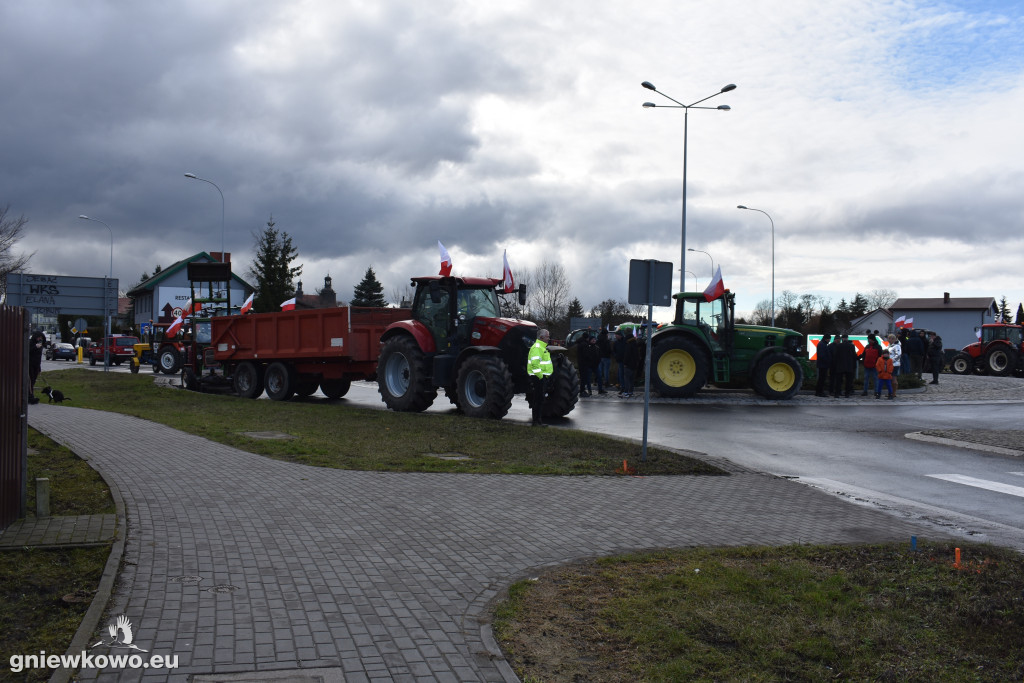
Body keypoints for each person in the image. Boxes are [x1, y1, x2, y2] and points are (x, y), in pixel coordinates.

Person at [526, 328, 553, 426]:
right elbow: (535, 364)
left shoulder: (541, 347)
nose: (548, 338)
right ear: (541, 337)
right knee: (538, 399)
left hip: (541, 377)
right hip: (538, 377)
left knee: (540, 399)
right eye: (547, 336)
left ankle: (538, 420)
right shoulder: (537, 347)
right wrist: (541, 377)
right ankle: (536, 421)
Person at [832, 333, 858, 398]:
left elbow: (835, 356)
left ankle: (837, 393)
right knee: (848, 381)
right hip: (849, 366)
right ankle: (847, 393)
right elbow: (854, 356)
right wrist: (854, 365)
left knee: (839, 381)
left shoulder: (838, 346)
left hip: (840, 366)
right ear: (847, 338)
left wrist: (835, 365)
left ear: (842, 339)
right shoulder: (851, 346)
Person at [28, 330, 46, 404]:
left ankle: (30, 395)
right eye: (38, 337)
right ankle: (30, 396)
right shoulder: (31, 343)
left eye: (41, 338)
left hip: (36, 365)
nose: (39, 339)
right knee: (30, 381)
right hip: (30, 365)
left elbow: (39, 358)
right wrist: (35, 347)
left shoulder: (40, 346)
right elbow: (28, 352)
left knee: (33, 381)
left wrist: (39, 368)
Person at [620, 332, 639, 398]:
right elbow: (637, 356)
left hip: (628, 365)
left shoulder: (628, 345)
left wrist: (625, 363)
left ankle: (626, 392)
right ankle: (631, 392)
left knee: (627, 379)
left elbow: (627, 356)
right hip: (634, 365)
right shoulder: (635, 344)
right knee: (631, 379)